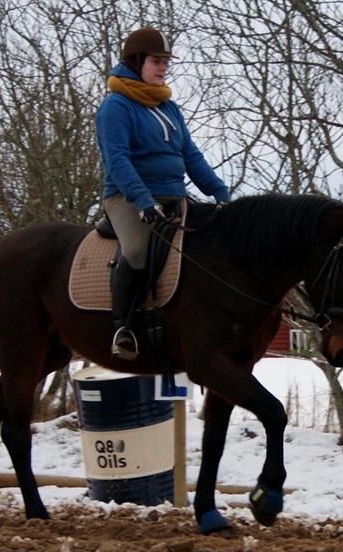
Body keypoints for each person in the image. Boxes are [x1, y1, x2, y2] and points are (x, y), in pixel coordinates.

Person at [96, 26, 231, 361]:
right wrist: (142, 199)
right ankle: (122, 327)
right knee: (139, 249)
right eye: (157, 61)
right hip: (127, 197)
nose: (163, 68)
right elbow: (117, 161)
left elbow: (191, 156)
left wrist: (219, 192)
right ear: (137, 61)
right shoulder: (115, 107)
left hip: (174, 196)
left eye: (166, 62)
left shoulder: (169, 107)